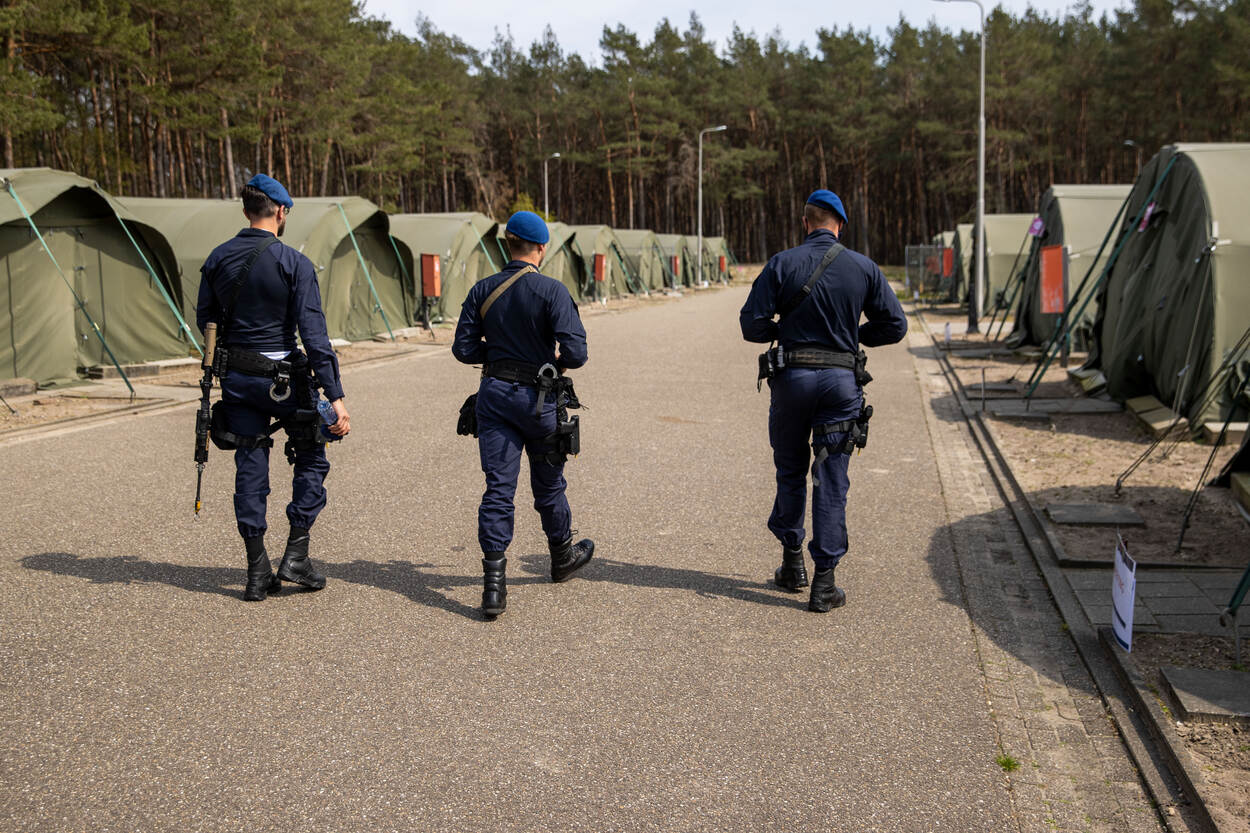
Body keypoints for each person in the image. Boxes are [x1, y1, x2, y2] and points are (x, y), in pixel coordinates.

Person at [739, 189, 907, 612]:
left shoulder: (782, 263)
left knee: (791, 469)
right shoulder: (863, 267)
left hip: (792, 380)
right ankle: (824, 584)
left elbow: (751, 325)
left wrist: (784, 332)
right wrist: (853, 336)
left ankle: (792, 563)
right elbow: (895, 325)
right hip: (840, 385)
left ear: (805, 222)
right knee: (831, 478)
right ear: (840, 226)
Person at [196, 174, 350, 602]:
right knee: (312, 456)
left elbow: (206, 322)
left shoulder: (217, 258)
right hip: (286, 382)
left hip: (239, 379)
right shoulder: (294, 263)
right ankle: (295, 555)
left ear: (246, 210)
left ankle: (256, 569)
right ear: (281, 211)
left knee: (250, 463)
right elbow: (314, 336)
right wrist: (336, 397)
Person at [453, 210, 594, 619]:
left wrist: (498, 355)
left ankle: (493, 588)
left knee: (498, 489)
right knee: (548, 486)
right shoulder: (552, 290)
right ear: (542, 248)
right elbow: (577, 353)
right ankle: (561, 557)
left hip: (495, 395)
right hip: (539, 399)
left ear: (507, 244)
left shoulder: (482, 289)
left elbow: (463, 349)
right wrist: (550, 363)